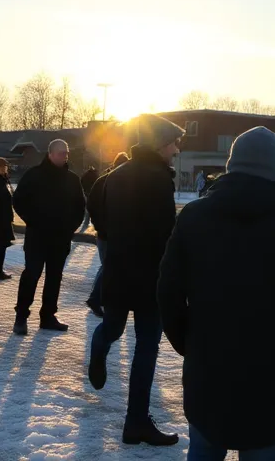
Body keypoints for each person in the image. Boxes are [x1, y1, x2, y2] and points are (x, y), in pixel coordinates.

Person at [159, 127, 275, 460]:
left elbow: (168, 291)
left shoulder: (194, 217)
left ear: (231, 164)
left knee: (204, 446)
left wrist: (187, 342)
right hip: (269, 369)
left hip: (208, 361)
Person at [87, 115, 184, 447]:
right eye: (173, 142)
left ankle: (99, 349)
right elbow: (165, 237)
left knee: (112, 329)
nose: (177, 149)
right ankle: (136, 422)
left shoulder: (114, 176)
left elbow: (97, 215)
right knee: (146, 347)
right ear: (159, 144)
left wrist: (112, 238)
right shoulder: (158, 179)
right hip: (148, 278)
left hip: (116, 270)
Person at [12, 140, 85, 334]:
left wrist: (70, 228)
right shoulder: (34, 175)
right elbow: (18, 200)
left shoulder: (72, 179)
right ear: (50, 154)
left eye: (66, 153)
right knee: (32, 275)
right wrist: (33, 220)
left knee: (54, 278)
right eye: (61, 153)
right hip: (37, 237)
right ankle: (21, 316)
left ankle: (48, 316)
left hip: (60, 239)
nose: (65, 157)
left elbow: (80, 207)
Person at [86, 151, 129, 317]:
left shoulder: (103, 180)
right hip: (108, 233)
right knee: (109, 265)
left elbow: (91, 204)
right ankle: (96, 298)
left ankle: (101, 297)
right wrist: (102, 226)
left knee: (109, 265)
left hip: (106, 232)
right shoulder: (112, 181)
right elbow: (93, 205)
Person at [78, 166, 99, 232]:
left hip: (86, 193)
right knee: (94, 208)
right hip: (94, 194)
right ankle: (94, 224)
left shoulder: (85, 175)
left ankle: (86, 223)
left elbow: (81, 182)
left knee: (87, 208)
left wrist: (84, 190)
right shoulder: (95, 175)